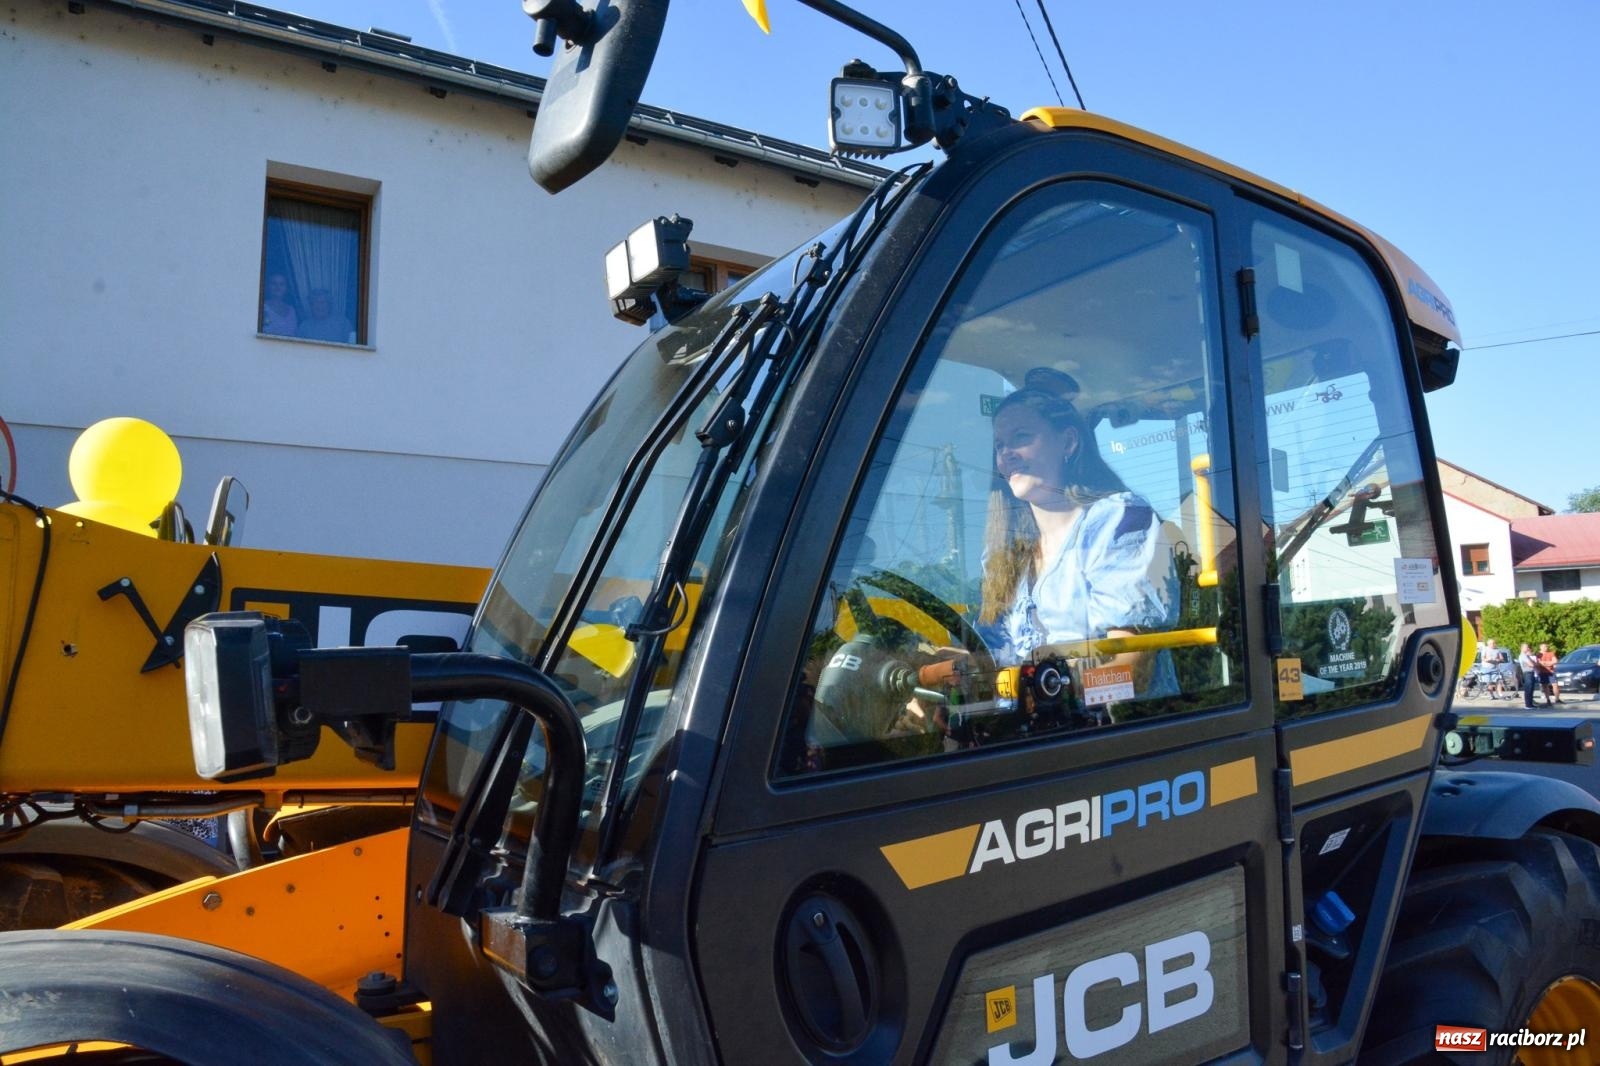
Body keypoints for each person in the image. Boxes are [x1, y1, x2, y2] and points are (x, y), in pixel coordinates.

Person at [977, 367, 1178, 704]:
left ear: (1068, 442)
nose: (1006, 453)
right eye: (1000, 444)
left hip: (1113, 738)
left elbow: (1132, 669)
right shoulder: (1004, 553)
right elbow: (990, 657)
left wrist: (1054, 693)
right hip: (1025, 738)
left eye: (1021, 437)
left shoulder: (1119, 522)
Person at [1518, 642, 1540, 709]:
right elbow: (1531, 664)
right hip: (1528, 673)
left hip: (1531, 672)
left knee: (1531, 689)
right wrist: (1534, 664)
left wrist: (1533, 664)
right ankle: (1528, 705)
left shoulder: (1526, 655)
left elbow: (1533, 663)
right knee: (1528, 689)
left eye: (1528, 647)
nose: (1528, 648)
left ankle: (1530, 704)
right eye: (1526, 647)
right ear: (1522, 648)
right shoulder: (1523, 655)